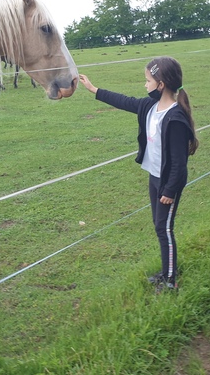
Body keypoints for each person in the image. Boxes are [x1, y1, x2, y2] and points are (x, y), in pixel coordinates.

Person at [78, 56, 199, 292]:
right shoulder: (149, 107)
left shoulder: (175, 118)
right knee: (159, 225)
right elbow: (124, 101)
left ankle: (170, 280)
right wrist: (94, 89)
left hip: (168, 183)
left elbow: (179, 163)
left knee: (164, 228)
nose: (145, 85)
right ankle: (167, 271)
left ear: (161, 85)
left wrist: (169, 191)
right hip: (154, 177)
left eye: (148, 81)